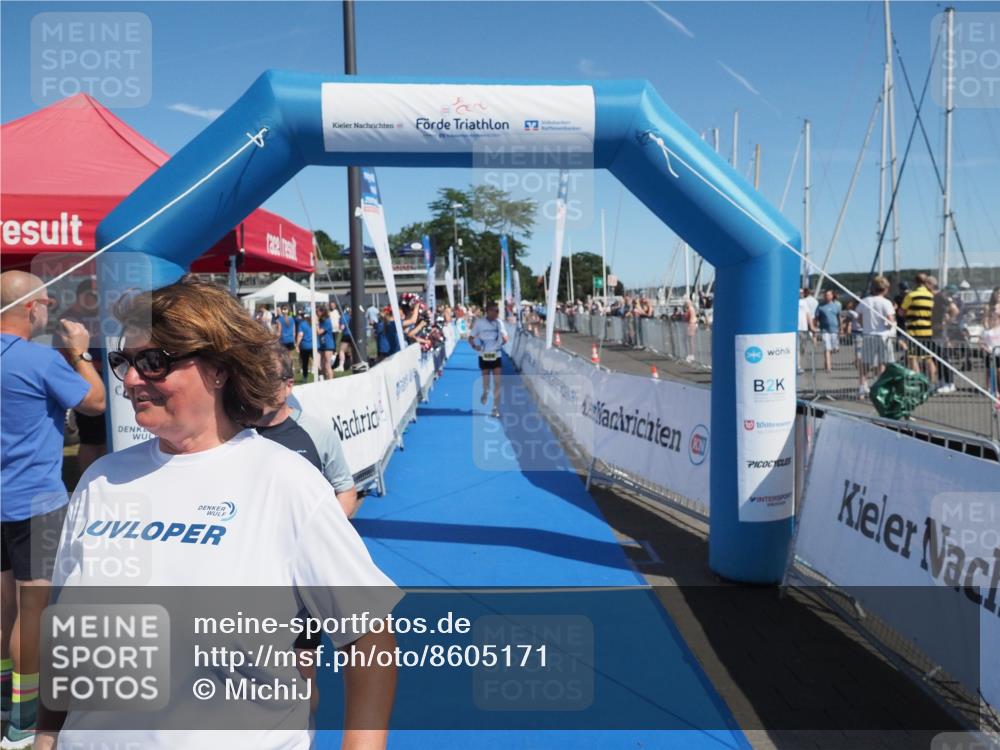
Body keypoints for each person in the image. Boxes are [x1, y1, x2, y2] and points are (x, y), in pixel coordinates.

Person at [37, 276, 398, 750]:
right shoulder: (101, 480)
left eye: (153, 362)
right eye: (124, 361)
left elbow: (369, 636)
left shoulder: (283, 479)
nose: (128, 379)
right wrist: (46, 737)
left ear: (219, 369)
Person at [1, 271, 105, 749]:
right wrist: (81, 351)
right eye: (44, 301)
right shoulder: (41, 359)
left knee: (4, 609)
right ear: (29, 308)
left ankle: (6, 705)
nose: (48, 309)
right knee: (34, 611)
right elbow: (97, 403)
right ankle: (24, 720)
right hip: (35, 501)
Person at [61, 277, 108, 474]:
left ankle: (102, 477)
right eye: (91, 296)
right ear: (80, 296)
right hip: (85, 380)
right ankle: (86, 482)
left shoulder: (101, 317)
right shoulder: (69, 320)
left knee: (103, 438)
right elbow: (66, 354)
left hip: (104, 380)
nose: (95, 300)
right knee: (91, 439)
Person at [858, 275, 896, 398]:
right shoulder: (886, 302)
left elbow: (859, 318)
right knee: (882, 363)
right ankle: (880, 388)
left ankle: (862, 387)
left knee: (865, 363)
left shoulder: (865, 301)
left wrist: (866, 325)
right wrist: (889, 326)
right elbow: (890, 321)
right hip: (883, 335)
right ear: (885, 289)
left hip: (868, 334)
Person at [469, 302, 508, 417]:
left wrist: (504, 339)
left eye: (498, 311)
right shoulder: (479, 323)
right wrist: (475, 346)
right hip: (484, 355)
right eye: (495, 311)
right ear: (488, 311)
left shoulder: (499, 323)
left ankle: (495, 408)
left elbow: (505, 337)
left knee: (497, 383)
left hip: (496, 355)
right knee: (486, 382)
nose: (497, 313)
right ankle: (485, 392)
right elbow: (471, 338)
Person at [901, 272, 936, 382]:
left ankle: (918, 381)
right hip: (928, 330)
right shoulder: (931, 296)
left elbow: (902, 312)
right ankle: (932, 382)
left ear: (915, 282)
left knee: (913, 357)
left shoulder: (911, 295)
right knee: (928, 358)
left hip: (914, 330)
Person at [929, 277, 960, 394]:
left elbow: (954, 310)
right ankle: (942, 380)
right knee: (937, 357)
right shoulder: (939, 297)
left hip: (939, 331)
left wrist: (946, 322)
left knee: (943, 357)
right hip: (935, 330)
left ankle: (949, 382)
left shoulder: (940, 296)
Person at [813, 289, 842, 374]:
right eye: (825, 295)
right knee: (827, 348)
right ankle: (828, 367)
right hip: (824, 330)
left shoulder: (837, 305)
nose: (827, 296)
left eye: (829, 295)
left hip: (834, 330)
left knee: (833, 348)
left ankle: (833, 353)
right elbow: (816, 318)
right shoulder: (820, 306)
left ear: (832, 296)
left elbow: (839, 316)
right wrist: (814, 328)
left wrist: (841, 328)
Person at [797, 287, 818, 374]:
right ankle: (797, 366)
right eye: (800, 292)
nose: (801, 294)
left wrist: (812, 326)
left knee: (802, 349)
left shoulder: (804, 302)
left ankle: (798, 364)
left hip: (804, 328)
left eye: (802, 292)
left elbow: (808, 315)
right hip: (796, 329)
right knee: (797, 349)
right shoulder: (790, 301)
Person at [316, 306, 335, 380]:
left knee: (327, 364)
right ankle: (324, 378)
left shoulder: (327, 321)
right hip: (322, 344)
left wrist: (316, 323)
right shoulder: (321, 321)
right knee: (322, 364)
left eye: (317, 312)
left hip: (328, 344)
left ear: (322, 312)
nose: (316, 314)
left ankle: (330, 379)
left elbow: (319, 332)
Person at [294, 309, 314, 380]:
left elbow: (300, 335)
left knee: (305, 363)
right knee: (316, 361)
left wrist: (297, 345)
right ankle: (320, 375)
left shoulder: (302, 324)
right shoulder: (313, 323)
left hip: (304, 346)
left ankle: (305, 377)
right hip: (314, 345)